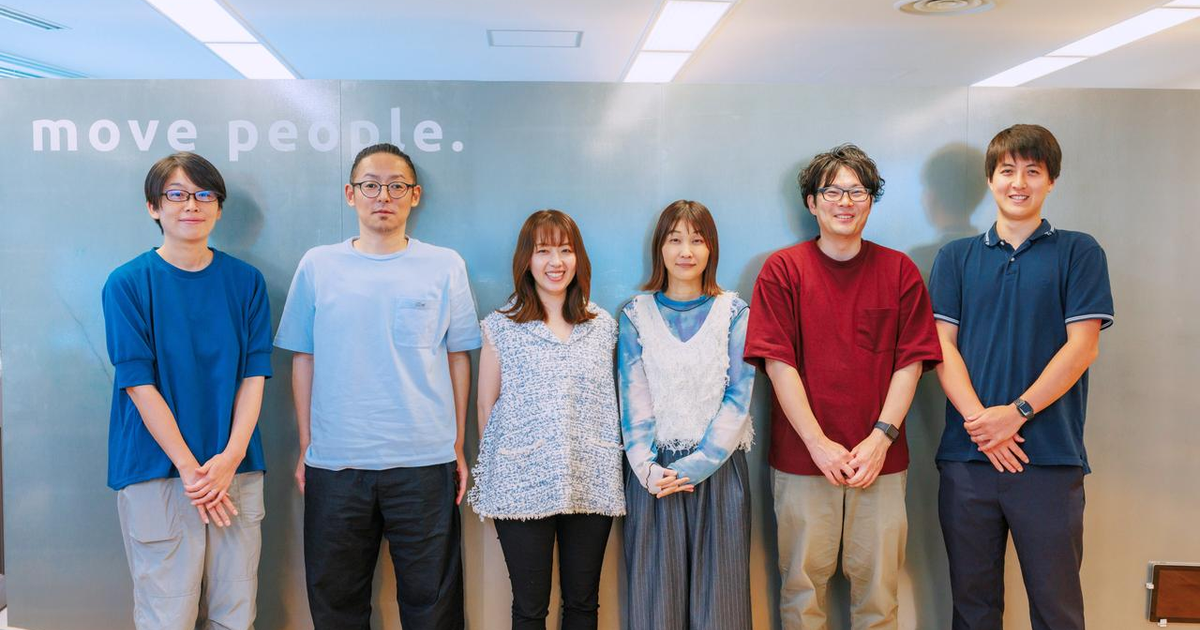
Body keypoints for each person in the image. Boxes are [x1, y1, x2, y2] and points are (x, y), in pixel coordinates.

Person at [274, 143, 480, 629]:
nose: (383, 196)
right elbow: (303, 358)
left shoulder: (444, 264)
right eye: (370, 185)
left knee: (434, 609)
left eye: (396, 186)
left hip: (424, 462)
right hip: (336, 464)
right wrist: (307, 446)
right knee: (336, 606)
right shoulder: (318, 265)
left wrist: (456, 446)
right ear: (351, 194)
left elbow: (458, 357)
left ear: (415, 195)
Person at [744, 144, 942, 629]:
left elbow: (912, 361)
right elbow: (777, 362)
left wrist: (880, 440)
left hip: (881, 462)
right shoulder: (783, 270)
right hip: (802, 460)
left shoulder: (899, 271)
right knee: (801, 594)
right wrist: (818, 444)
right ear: (811, 203)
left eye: (857, 191)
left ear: (871, 201)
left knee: (879, 597)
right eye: (832, 191)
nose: (845, 202)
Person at [929, 124, 1113, 630]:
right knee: (973, 609)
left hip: (1049, 459)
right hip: (968, 459)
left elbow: (1083, 347)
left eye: (1033, 171)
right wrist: (982, 425)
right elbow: (941, 347)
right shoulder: (956, 258)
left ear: (1051, 181)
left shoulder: (1079, 252)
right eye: (1007, 170)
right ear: (990, 179)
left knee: (1057, 611)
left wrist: (1016, 414)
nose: (1019, 182)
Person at [102, 152, 272, 630]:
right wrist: (190, 470)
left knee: (236, 611)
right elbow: (138, 384)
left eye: (204, 194)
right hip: (158, 469)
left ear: (218, 206)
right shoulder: (127, 283)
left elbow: (254, 377)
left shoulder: (246, 282)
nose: (191, 205)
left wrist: (230, 459)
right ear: (153, 207)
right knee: (167, 614)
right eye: (176, 194)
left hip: (235, 470)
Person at [468, 209, 624, 630]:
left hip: (590, 476)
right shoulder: (501, 326)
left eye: (565, 251)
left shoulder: (603, 326)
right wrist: (505, 469)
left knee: (583, 603)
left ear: (578, 259)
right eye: (543, 251)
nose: (556, 262)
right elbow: (485, 407)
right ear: (527, 260)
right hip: (522, 480)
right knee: (529, 607)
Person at [617, 200, 755, 630]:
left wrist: (696, 466)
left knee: (721, 607)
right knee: (656, 606)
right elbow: (633, 401)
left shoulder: (735, 312)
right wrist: (648, 470)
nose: (686, 251)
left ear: (711, 248)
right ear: (660, 247)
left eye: (697, 240)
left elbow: (739, 397)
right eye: (675, 239)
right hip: (654, 477)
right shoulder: (635, 315)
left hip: (720, 472)